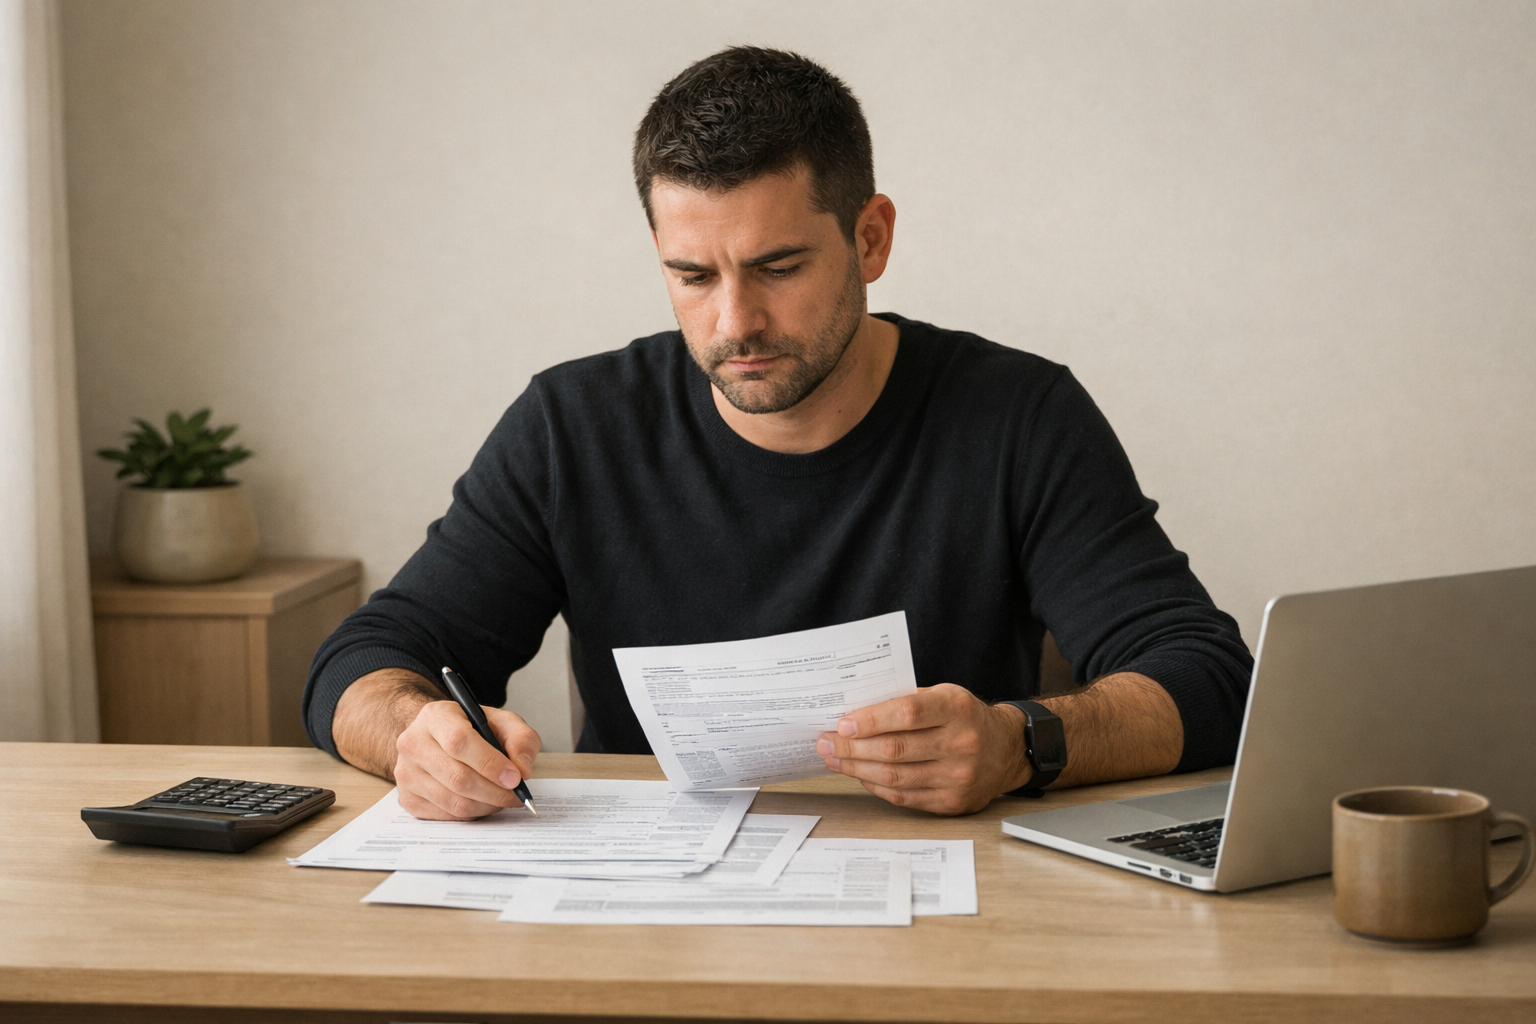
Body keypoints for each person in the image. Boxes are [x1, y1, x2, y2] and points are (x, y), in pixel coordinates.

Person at [303, 46, 1252, 821]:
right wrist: (415, 736)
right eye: (693, 276)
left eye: (779, 266)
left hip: (944, 916)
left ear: (871, 238)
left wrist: (1022, 743)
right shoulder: (572, 426)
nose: (734, 324)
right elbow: (368, 657)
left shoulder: (1017, 416)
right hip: (646, 914)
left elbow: (1209, 680)